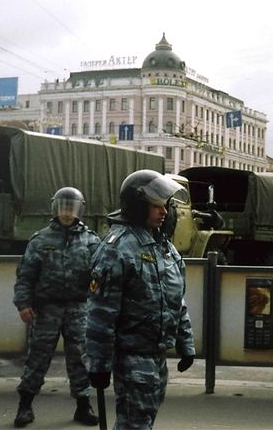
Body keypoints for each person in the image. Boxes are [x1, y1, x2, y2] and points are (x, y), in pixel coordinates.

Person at [86, 169, 195, 429]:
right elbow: (101, 312)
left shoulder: (164, 247)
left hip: (156, 353)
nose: (164, 212)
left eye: (164, 205)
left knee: (145, 416)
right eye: (155, 205)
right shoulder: (117, 248)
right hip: (131, 354)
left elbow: (176, 299)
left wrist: (185, 342)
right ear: (137, 206)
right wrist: (99, 363)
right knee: (135, 422)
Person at [13, 187, 101, 427]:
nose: (66, 212)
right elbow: (25, 276)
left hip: (78, 309)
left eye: (71, 207)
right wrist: (23, 304)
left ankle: (83, 406)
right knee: (37, 358)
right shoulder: (41, 240)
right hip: (47, 309)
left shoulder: (91, 241)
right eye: (63, 206)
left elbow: (101, 277)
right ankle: (25, 407)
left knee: (80, 360)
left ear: (79, 210)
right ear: (55, 208)